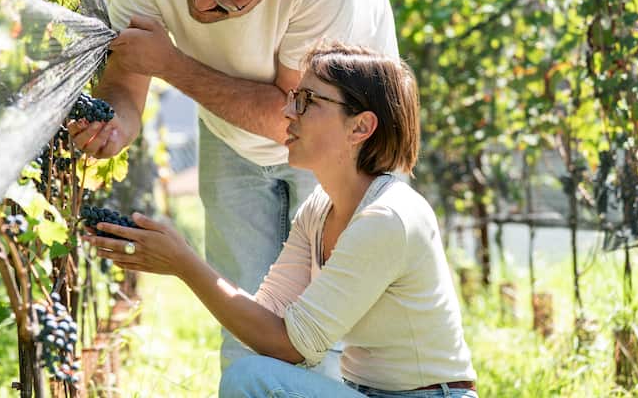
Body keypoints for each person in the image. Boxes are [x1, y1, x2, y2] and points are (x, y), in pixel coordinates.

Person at [69, 0, 398, 370]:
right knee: (243, 311)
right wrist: (115, 127)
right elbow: (127, 78)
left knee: (334, 328)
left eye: (227, 0)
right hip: (229, 132)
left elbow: (293, 115)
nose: (202, 7)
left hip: (341, 138)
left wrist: (173, 63)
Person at [83, 41, 478, 398]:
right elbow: (270, 316)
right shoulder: (321, 209)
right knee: (254, 374)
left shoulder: (387, 217)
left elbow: (291, 346)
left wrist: (185, 263)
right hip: (365, 393)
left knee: (251, 379)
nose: (288, 111)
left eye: (307, 101)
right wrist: (175, 259)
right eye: (294, 97)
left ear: (360, 127)